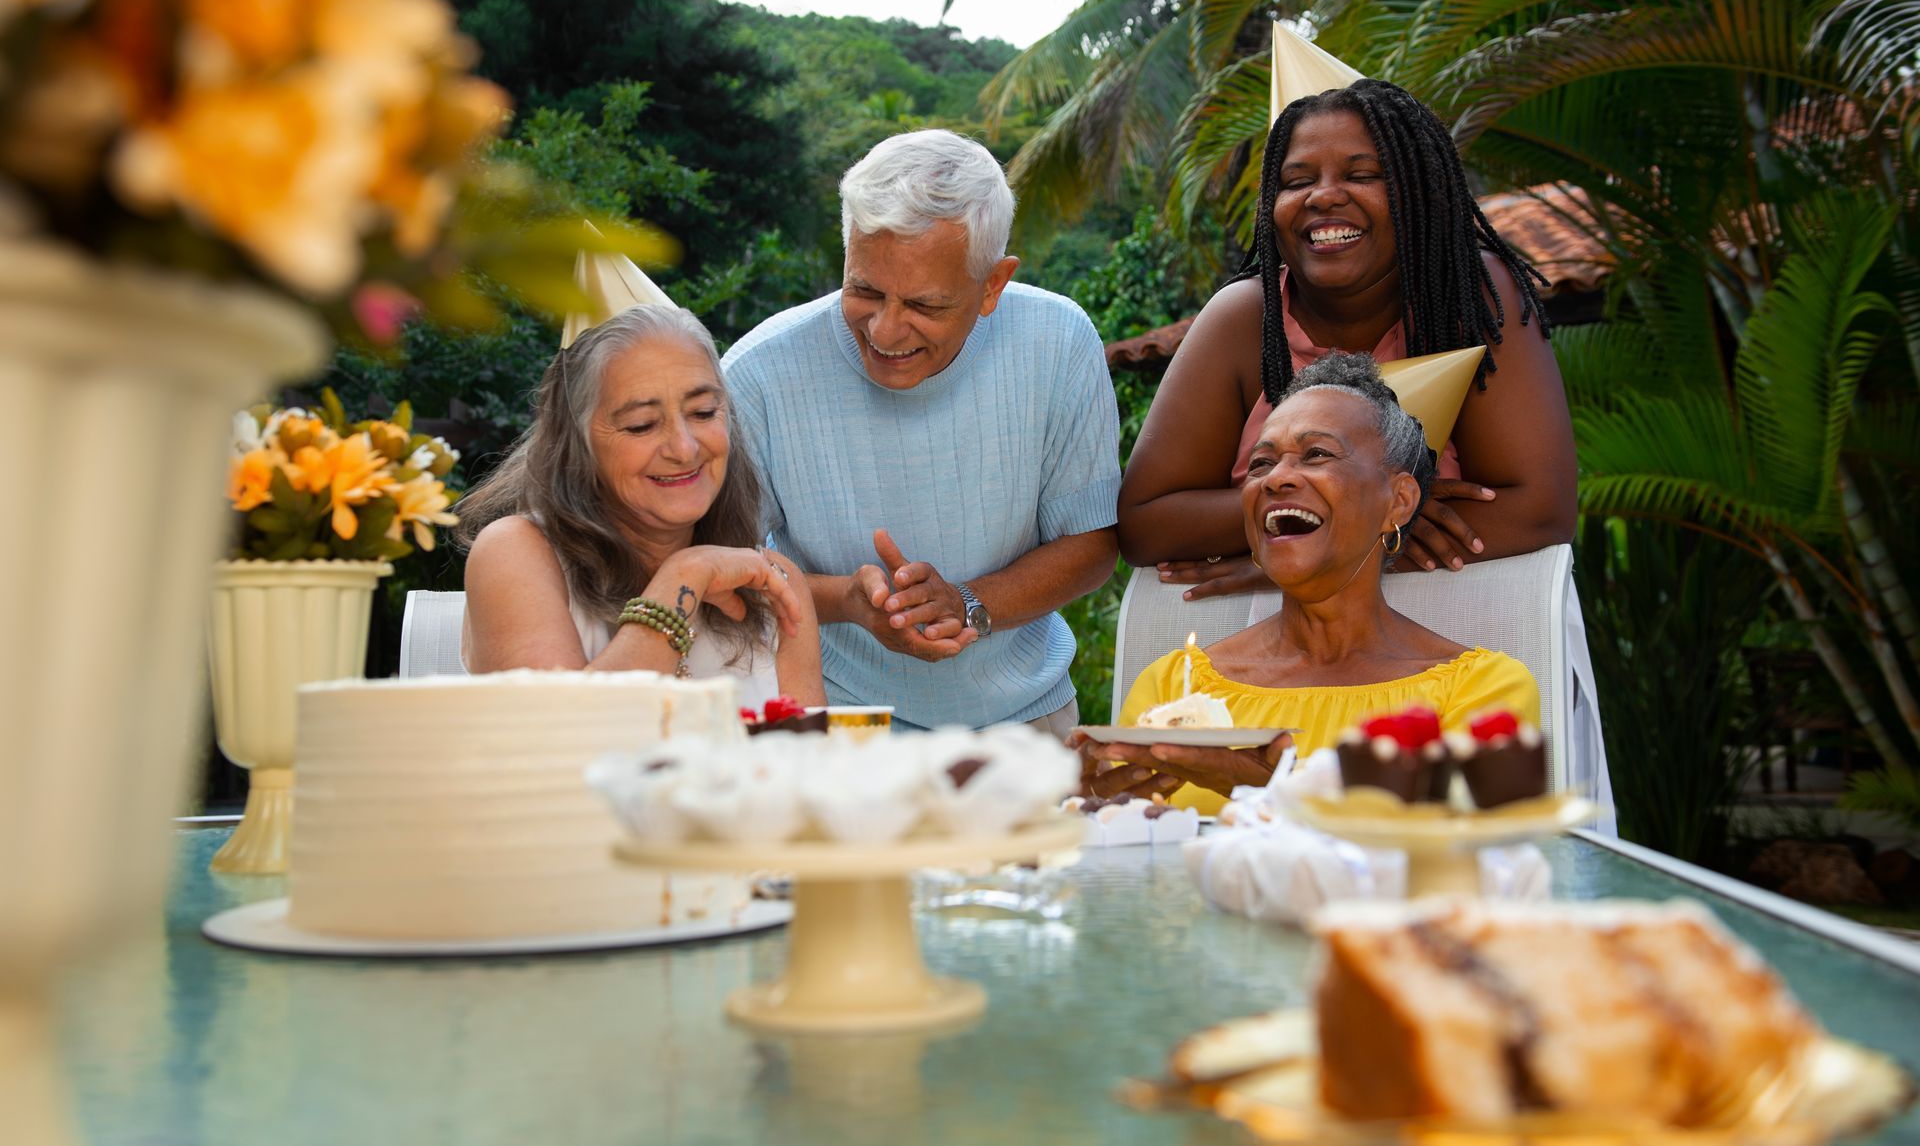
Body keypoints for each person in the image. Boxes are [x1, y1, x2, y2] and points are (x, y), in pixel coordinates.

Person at [722, 129, 1121, 736]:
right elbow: (721, 570)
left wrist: (970, 602)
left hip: (1026, 722)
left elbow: (1092, 544)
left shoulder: (1058, 341)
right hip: (830, 718)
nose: (884, 331)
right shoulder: (758, 373)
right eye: (864, 291)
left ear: (993, 284)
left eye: (925, 306)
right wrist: (847, 603)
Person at [1117, 79, 1576, 598]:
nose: (1324, 195)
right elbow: (1145, 524)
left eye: (1363, 174)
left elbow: (1540, 509)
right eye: (1296, 181)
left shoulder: (1471, 297)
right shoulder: (1243, 317)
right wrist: (1374, 511)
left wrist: (1320, 548)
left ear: (1421, 193)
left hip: (1456, 642)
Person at [1078, 352, 1540, 813]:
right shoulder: (1174, 687)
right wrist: (1087, 805)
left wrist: (1269, 789)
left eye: (1317, 454)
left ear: (1398, 502)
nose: (1276, 479)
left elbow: (1468, 862)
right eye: (1261, 463)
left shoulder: (1482, 691)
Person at [459, 304, 824, 708]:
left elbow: (810, 762)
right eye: (642, 425)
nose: (684, 449)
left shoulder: (776, 583)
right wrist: (685, 577)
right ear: (577, 442)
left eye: (703, 412)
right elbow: (556, 736)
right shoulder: (516, 551)